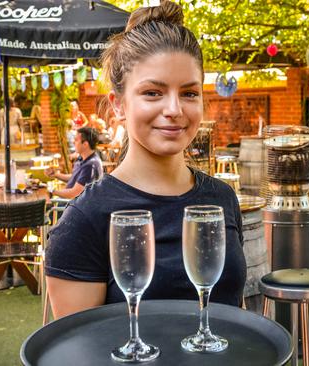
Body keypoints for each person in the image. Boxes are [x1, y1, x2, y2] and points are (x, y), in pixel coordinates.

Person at [46, 1, 246, 319]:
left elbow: (233, 312)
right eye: (153, 92)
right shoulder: (84, 219)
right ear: (119, 105)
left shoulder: (222, 199)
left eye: (189, 93)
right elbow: (77, 350)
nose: (174, 109)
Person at [45, 127, 103, 199]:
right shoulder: (81, 158)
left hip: (73, 207)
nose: (73, 142)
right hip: (68, 203)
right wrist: (56, 175)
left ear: (85, 144)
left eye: (76, 140)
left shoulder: (91, 165)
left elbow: (74, 193)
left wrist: (52, 191)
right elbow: (75, 178)